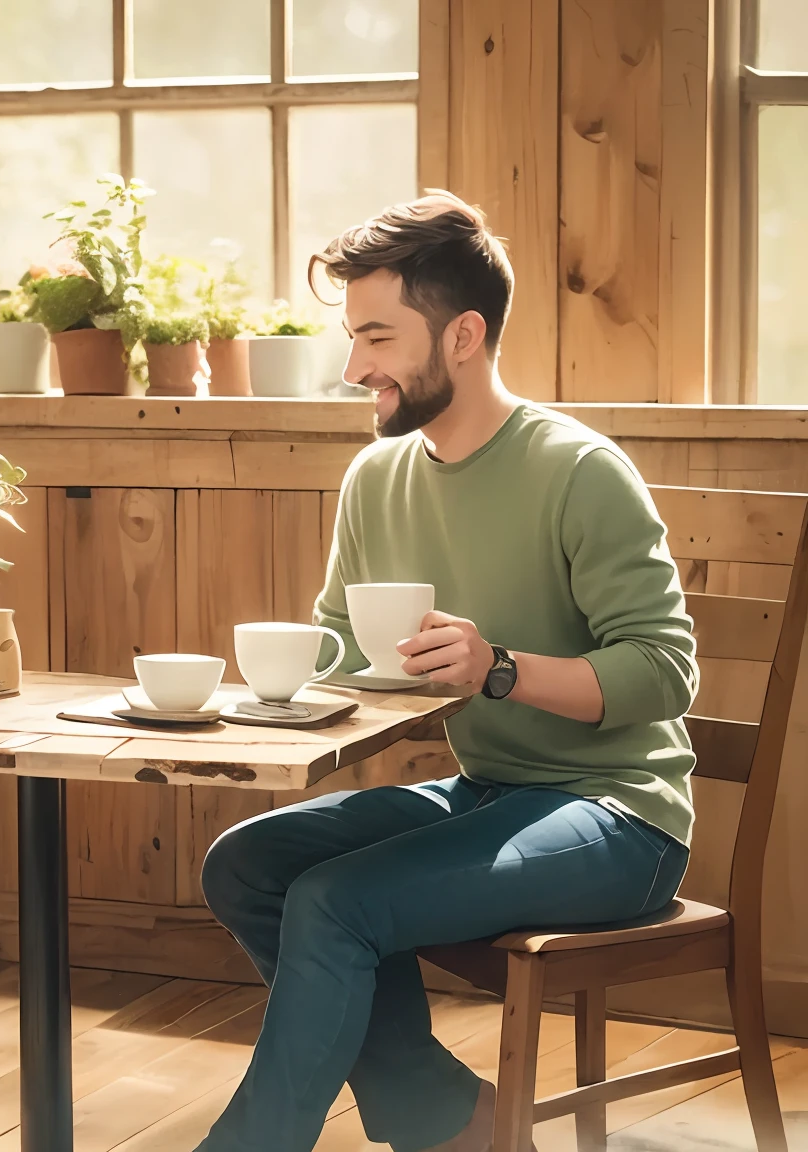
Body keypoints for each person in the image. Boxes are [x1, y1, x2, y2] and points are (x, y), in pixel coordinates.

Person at [192, 193, 697, 1152]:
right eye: (351, 337)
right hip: (487, 792)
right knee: (249, 864)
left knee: (339, 902)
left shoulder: (579, 470)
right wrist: (274, 685)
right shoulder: (377, 478)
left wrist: (497, 669)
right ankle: (454, 1117)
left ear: (463, 334)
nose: (353, 368)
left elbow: (665, 673)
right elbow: (342, 642)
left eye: (377, 337)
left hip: (620, 817)